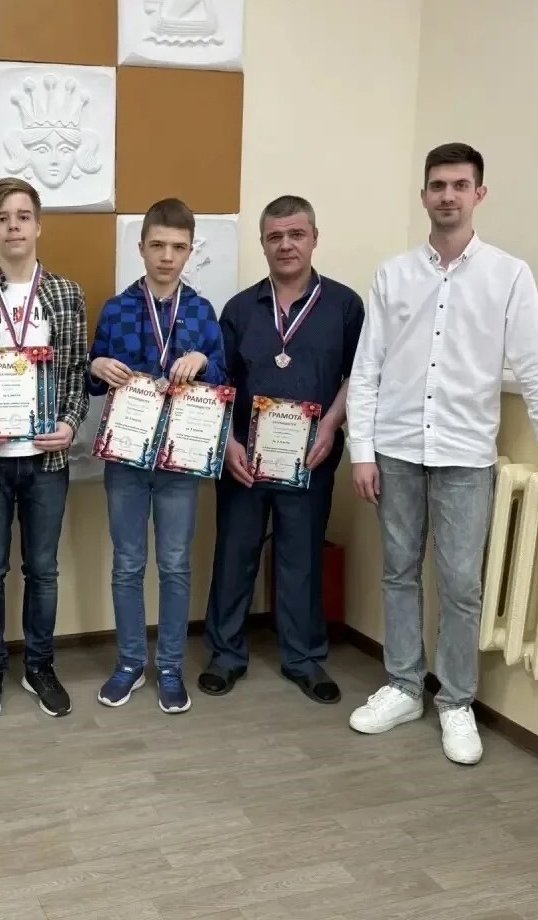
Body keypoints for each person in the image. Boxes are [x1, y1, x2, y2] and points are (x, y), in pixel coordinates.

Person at [345, 142, 538, 765]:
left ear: (479, 194)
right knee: (399, 572)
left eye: (459, 185)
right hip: (396, 449)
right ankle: (404, 686)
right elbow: (367, 368)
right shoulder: (394, 274)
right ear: (424, 195)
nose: (447, 196)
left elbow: (536, 372)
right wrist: (362, 450)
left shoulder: (509, 276)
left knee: (460, 584)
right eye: (438, 185)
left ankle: (456, 701)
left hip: (465, 455)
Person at [199, 195, 364, 705]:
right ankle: (225, 655)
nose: (286, 245)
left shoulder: (344, 305)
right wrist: (227, 442)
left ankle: (303, 658)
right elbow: (218, 383)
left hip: (311, 458)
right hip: (243, 459)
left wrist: (332, 425)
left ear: (314, 238)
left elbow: (360, 375)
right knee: (234, 555)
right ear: (263, 243)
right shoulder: (239, 309)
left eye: (296, 234)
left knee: (302, 557)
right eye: (275, 236)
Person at [0, 176, 90, 721]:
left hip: (48, 459)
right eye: (2, 218)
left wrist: (70, 423)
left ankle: (40, 665)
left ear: (38, 225)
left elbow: (76, 372)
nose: (13, 227)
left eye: (23, 216)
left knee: (43, 570)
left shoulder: (67, 294)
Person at [88, 198, 226, 714]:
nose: (167, 256)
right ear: (141, 247)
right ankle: (129, 662)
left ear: (190, 251)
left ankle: (169, 665)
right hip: (125, 458)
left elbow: (224, 379)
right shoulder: (117, 309)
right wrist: (97, 364)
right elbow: (92, 376)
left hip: (180, 460)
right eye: (158, 245)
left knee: (174, 564)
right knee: (127, 564)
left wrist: (203, 359)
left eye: (178, 247)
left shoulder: (201, 311)